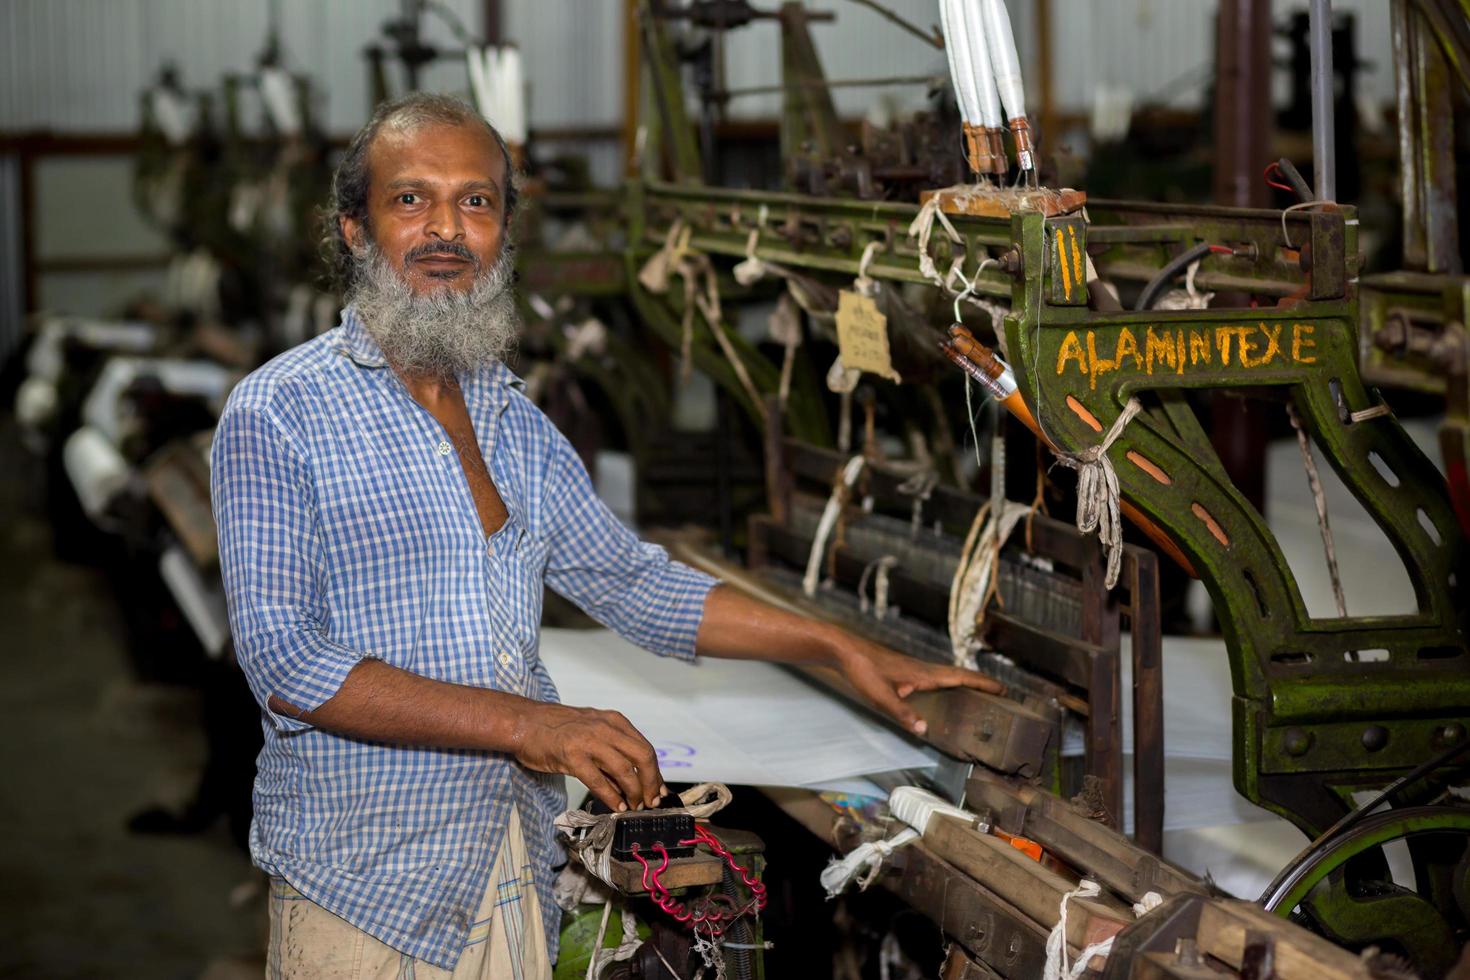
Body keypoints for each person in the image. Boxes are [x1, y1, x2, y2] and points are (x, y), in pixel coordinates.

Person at [211, 92, 1001, 979]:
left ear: (503, 234)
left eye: (475, 202)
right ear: (355, 229)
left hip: (506, 868)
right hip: (365, 894)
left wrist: (837, 646)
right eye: (410, 200)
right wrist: (533, 726)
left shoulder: (512, 421)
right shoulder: (280, 413)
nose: (446, 229)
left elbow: (634, 583)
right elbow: (287, 663)